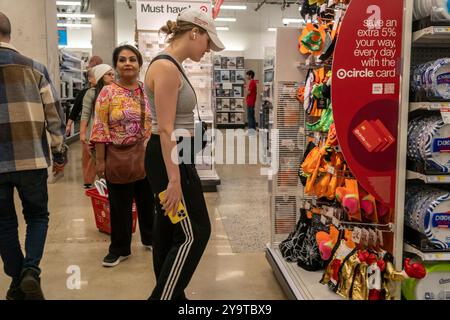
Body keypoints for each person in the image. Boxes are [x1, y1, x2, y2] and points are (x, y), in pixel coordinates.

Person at [144, 8, 224, 300]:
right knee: (195, 233)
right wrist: (174, 179)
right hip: (170, 160)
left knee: (169, 230)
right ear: (194, 33)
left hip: (173, 156)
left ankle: (171, 295)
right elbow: (165, 129)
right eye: (208, 42)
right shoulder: (166, 67)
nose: (208, 49)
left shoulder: (173, 64)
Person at [0, 12, 67, 300]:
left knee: (3, 224)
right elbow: (54, 115)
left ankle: (17, 280)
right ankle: (30, 272)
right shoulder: (35, 68)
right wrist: (59, 152)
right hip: (32, 160)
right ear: (9, 32)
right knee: (37, 216)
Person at [90, 45, 154, 267]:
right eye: (122, 60)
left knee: (148, 202)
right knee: (120, 205)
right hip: (117, 157)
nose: (128, 63)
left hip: (146, 155)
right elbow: (100, 126)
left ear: (139, 64)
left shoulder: (147, 91)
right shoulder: (107, 92)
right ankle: (120, 248)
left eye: (133, 59)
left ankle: (151, 238)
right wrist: (100, 161)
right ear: (116, 65)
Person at [79, 64, 115, 188]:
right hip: (96, 138)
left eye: (113, 74)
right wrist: (83, 133)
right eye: (109, 74)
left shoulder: (116, 92)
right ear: (100, 76)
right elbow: (85, 114)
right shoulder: (91, 93)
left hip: (113, 138)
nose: (112, 77)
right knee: (101, 168)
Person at [65, 68, 97, 188]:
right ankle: (87, 181)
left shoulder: (105, 91)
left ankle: (98, 179)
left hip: (99, 129)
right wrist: (69, 125)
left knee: (96, 157)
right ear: (89, 79)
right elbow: (75, 110)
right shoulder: (84, 93)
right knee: (87, 156)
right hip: (88, 127)